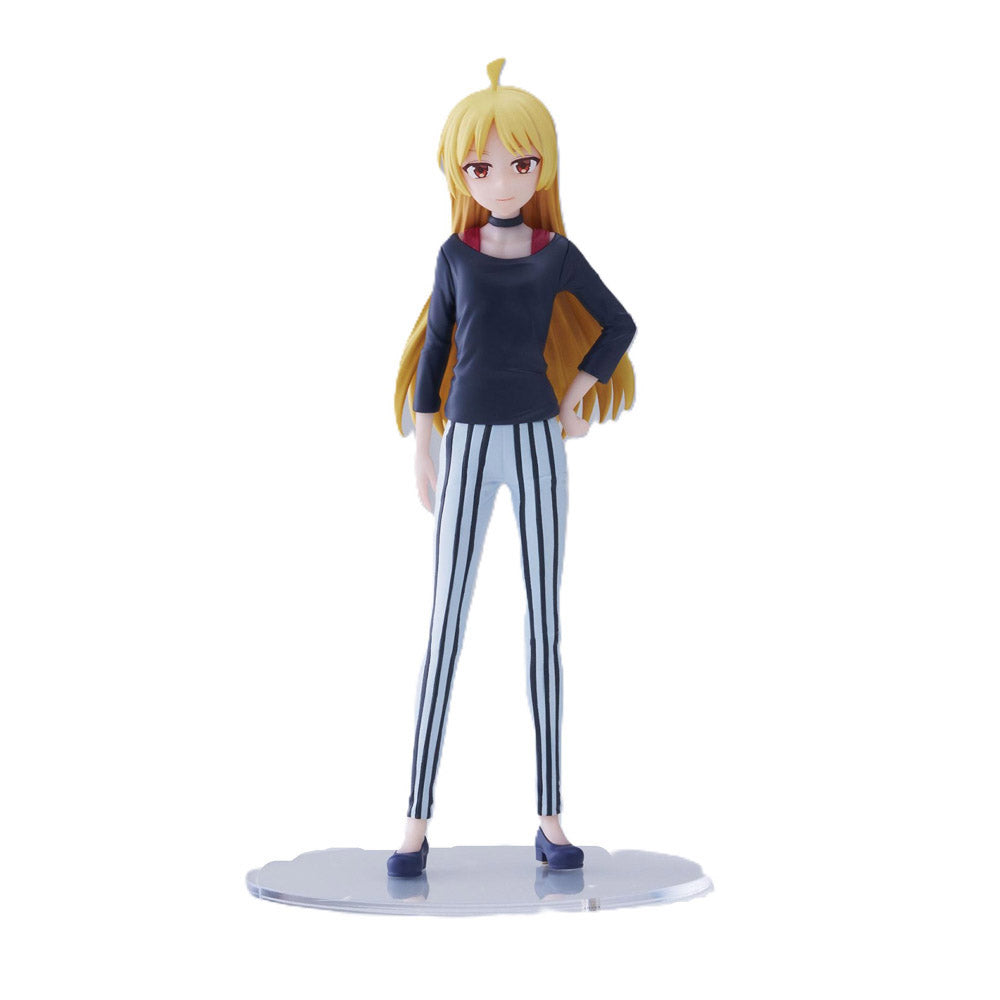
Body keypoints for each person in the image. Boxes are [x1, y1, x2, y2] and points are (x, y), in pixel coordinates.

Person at [389, 58, 636, 876]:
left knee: (543, 626)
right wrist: (424, 442)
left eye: (521, 162)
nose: (502, 178)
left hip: (535, 440)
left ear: (542, 167)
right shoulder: (453, 256)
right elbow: (436, 351)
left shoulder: (555, 252)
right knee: (445, 622)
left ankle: (551, 817)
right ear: (461, 174)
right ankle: (414, 820)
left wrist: (576, 395)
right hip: (465, 441)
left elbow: (618, 324)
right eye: (482, 166)